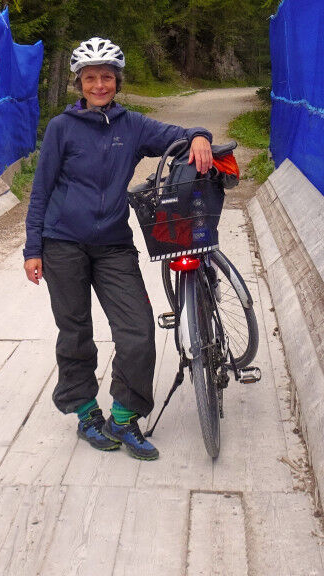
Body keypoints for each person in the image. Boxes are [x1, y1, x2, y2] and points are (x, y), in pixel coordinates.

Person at [23, 37, 213, 461]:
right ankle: (86, 413)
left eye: (106, 77)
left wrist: (199, 135)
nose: (99, 85)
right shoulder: (61, 129)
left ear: (117, 81)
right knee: (75, 332)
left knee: (139, 331)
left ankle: (124, 417)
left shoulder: (132, 126)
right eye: (90, 78)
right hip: (62, 245)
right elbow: (41, 191)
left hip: (112, 245)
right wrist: (32, 248)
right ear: (79, 83)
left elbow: (176, 136)